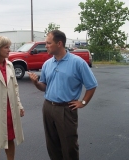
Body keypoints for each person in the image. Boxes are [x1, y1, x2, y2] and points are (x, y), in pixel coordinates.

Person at [27, 30, 98, 160]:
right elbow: (44, 86)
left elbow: (92, 85)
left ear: (59, 43)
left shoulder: (78, 62)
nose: (46, 45)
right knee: (52, 144)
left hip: (66, 109)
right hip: (48, 107)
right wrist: (36, 83)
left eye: (49, 43)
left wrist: (83, 102)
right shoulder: (48, 64)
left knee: (69, 146)